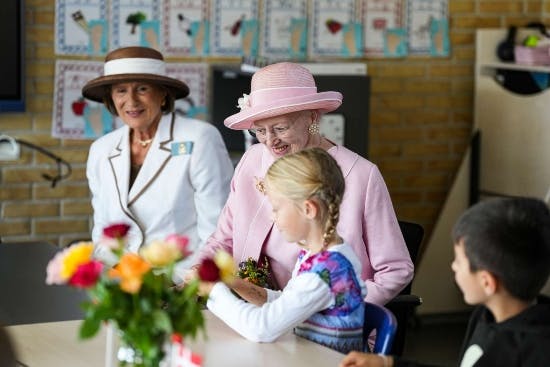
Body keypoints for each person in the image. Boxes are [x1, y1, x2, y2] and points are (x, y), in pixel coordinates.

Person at [194, 62, 413, 306]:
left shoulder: (361, 175)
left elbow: (396, 270)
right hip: (254, 309)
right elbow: (224, 240)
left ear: (311, 117)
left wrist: (338, 309)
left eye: (280, 128)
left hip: (326, 322)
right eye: (260, 131)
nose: (270, 141)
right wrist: (198, 272)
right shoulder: (253, 160)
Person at [339, 197, 550, 367]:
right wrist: (388, 363)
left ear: (487, 282)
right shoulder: (486, 316)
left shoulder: (533, 350)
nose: (453, 266)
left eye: (459, 260)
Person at [201, 148, 366, 353]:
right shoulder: (317, 256)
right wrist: (233, 284)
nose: (272, 216)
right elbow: (288, 303)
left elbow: (262, 328)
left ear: (308, 209)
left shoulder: (326, 272)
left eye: (277, 208)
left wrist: (213, 293)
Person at [83, 46, 234, 268]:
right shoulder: (101, 150)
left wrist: (194, 285)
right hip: (121, 281)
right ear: (111, 98)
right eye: (121, 91)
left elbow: (219, 228)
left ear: (163, 94)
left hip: (179, 282)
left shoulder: (200, 138)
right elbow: (103, 229)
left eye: (142, 89)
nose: (131, 101)